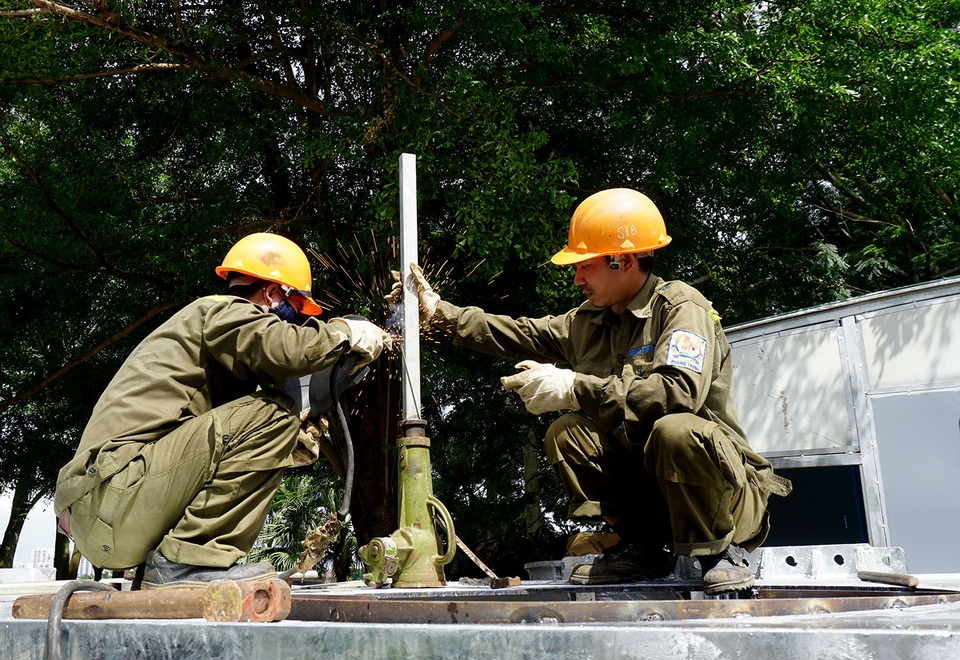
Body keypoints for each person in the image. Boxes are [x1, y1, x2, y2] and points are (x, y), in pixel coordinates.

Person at [392, 188, 791, 594]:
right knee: (567, 432)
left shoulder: (681, 307)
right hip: (657, 497)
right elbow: (521, 332)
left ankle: (719, 554)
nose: (578, 278)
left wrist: (573, 387)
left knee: (675, 429)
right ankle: (641, 547)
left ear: (624, 259)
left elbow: (678, 393)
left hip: (726, 497)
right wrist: (440, 314)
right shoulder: (589, 321)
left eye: (586, 266)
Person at [55, 232, 392, 589]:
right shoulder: (222, 311)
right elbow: (289, 350)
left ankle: (170, 565)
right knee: (276, 412)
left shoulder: (209, 356)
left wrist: (290, 439)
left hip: (105, 513)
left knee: (277, 417)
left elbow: (213, 449)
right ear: (273, 294)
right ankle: (185, 563)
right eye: (295, 311)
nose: (293, 321)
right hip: (114, 498)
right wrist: (345, 333)